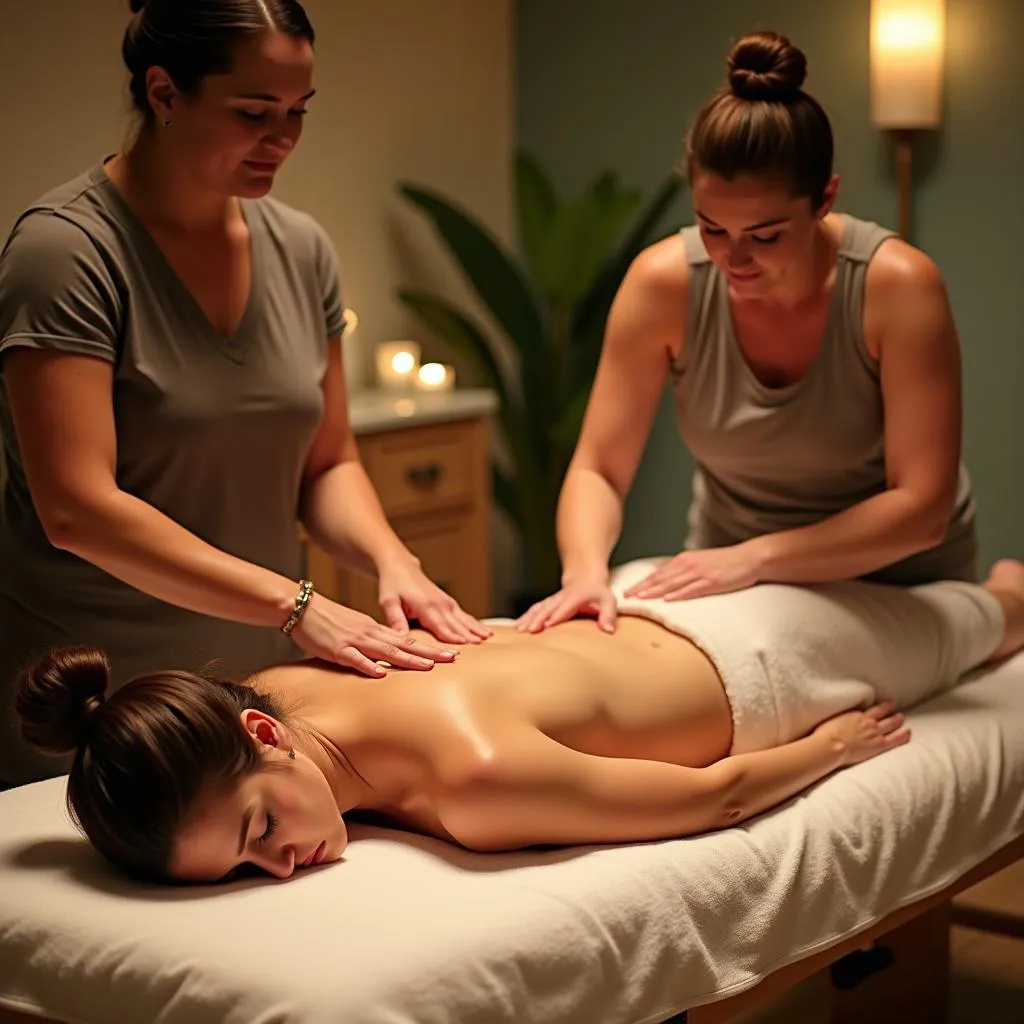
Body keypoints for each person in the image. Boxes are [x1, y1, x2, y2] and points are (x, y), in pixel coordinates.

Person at [0, 0, 489, 787]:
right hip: (97, 701)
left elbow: (327, 463)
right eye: (254, 113)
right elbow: (77, 510)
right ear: (163, 94)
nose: (284, 140)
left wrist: (391, 561)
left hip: (253, 692)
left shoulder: (301, 250)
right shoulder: (64, 253)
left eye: (297, 112)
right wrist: (297, 606)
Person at [15, 555, 1024, 885]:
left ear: (263, 740)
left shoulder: (476, 782)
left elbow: (713, 796)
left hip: (769, 657)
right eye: (241, 868)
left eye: (258, 831)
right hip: (621, 598)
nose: (275, 866)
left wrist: (827, 748)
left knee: (995, 615)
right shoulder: (290, 681)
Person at [517, 30, 978, 636]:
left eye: (765, 236)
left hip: (894, 578)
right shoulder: (664, 284)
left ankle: (1007, 603)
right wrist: (582, 572)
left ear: (825, 199)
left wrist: (754, 559)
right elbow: (599, 468)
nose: (734, 260)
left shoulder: (897, 287)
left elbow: (921, 508)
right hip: (729, 576)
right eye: (712, 229)